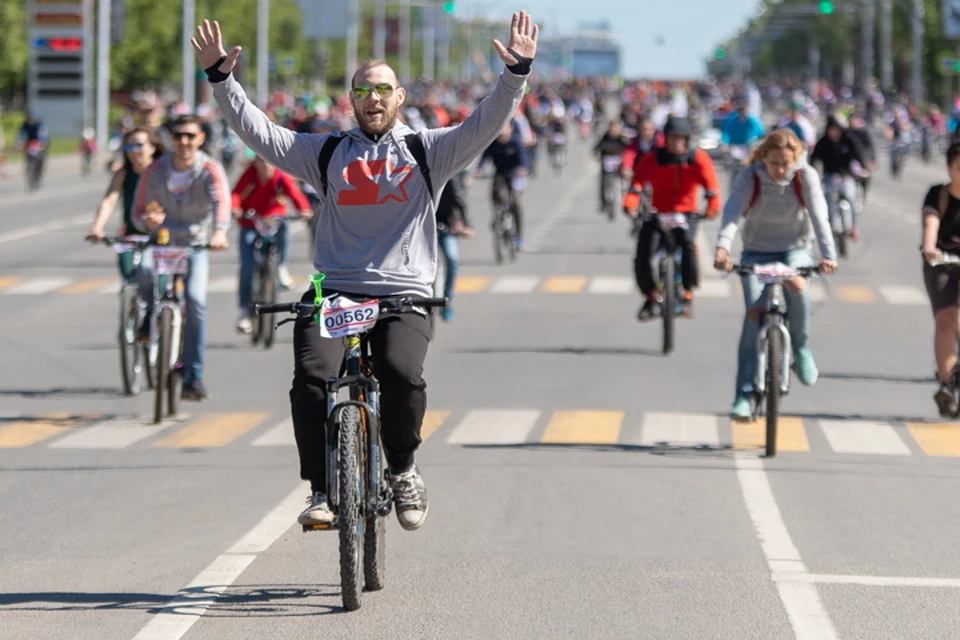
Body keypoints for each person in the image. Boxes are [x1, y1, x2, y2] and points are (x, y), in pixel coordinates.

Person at [193, 12, 539, 530]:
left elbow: (485, 122)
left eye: (383, 89)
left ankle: (402, 467)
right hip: (333, 291)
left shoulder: (429, 149)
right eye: (362, 90)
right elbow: (259, 133)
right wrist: (222, 80)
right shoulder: (327, 153)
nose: (373, 98)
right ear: (350, 100)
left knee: (401, 375)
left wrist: (516, 75)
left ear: (400, 98)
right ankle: (319, 486)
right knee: (312, 378)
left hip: (404, 293)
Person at [713, 128, 837, 420]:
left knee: (797, 285)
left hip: (794, 250)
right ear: (763, 158)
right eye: (774, 163)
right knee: (753, 315)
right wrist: (722, 247)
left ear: (795, 160)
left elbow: (820, 214)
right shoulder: (750, 176)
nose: (780, 170)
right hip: (756, 252)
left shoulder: (804, 177)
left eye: (786, 164)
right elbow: (733, 212)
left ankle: (801, 347)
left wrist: (828, 254)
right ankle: (744, 394)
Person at [131, 114, 232, 401]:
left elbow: (221, 202)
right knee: (144, 273)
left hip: (195, 245)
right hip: (161, 243)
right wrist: (147, 222)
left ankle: (193, 376)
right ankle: (150, 316)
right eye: (178, 136)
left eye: (190, 136)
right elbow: (138, 211)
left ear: (201, 138)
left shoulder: (209, 169)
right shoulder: (155, 170)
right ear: (170, 139)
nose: (184, 142)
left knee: (196, 300)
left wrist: (220, 232)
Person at [622, 116, 721, 320]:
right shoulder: (652, 158)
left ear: (687, 139)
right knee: (643, 253)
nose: (677, 142)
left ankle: (687, 294)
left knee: (689, 249)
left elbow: (712, 188)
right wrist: (630, 203)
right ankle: (650, 296)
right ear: (665, 139)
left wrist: (712, 208)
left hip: (687, 214)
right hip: (658, 213)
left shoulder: (698, 159)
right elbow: (636, 184)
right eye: (673, 138)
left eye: (682, 138)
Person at [231, 155, 313, 334]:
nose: (267, 165)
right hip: (250, 222)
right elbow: (236, 194)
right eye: (262, 161)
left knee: (284, 229)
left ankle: (281, 266)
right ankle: (244, 311)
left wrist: (304, 209)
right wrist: (235, 208)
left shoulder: (281, 176)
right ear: (256, 163)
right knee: (247, 265)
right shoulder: (249, 175)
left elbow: (295, 194)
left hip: (274, 220)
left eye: (270, 161)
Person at [86, 127, 167, 287]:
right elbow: (109, 200)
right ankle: (132, 307)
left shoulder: (163, 172)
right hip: (131, 234)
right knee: (128, 274)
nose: (133, 151)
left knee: (158, 282)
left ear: (152, 147)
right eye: (128, 147)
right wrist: (97, 227)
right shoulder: (123, 173)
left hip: (161, 234)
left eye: (139, 145)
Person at [921, 142, 960, 417]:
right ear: (950, 168)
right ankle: (946, 384)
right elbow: (930, 222)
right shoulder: (938, 194)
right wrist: (930, 247)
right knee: (946, 317)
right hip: (942, 263)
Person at [810, 114, 868, 241]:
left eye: (837, 129)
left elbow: (860, 154)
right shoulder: (823, 142)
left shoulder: (848, 139)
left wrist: (865, 168)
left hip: (846, 176)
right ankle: (830, 225)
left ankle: (854, 227)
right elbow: (814, 160)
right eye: (832, 129)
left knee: (852, 200)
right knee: (828, 200)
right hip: (830, 176)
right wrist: (811, 174)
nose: (835, 132)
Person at [479, 122, 531, 249]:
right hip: (500, 174)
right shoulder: (493, 144)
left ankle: (518, 236)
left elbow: (524, 158)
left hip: (514, 174)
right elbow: (484, 158)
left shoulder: (515, 142)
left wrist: (523, 168)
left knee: (516, 203)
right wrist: (479, 170)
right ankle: (497, 216)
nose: (502, 136)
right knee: (495, 193)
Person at [435, 170, 473, 322]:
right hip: (419, 230)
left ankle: (447, 300)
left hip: (445, 226)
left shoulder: (448, 176)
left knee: (452, 259)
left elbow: (460, 200)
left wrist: (467, 225)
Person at [593, 120, 629, 212]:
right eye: (612, 128)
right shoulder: (605, 137)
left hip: (619, 164)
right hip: (607, 163)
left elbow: (629, 148)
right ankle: (604, 203)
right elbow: (597, 147)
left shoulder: (621, 138)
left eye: (616, 128)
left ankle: (625, 201)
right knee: (604, 183)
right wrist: (597, 153)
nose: (614, 130)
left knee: (623, 182)